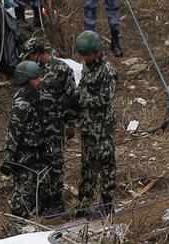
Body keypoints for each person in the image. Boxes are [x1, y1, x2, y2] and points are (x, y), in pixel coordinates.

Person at [24, 36, 79, 219]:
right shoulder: (34, 71)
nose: (29, 60)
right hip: (39, 127)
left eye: (31, 56)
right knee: (41, 163)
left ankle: (57, 203)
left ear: (39, 54)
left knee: (56, 164)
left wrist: (71, 124)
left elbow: (73, 98)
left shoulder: (62, 69)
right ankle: (44, 200)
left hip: (56, 125)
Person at [75, 31, 119, 217]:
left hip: (101, 128)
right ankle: (84, 203)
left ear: (96, 52)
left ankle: (107, 205)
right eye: (83, 55)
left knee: (106, 165)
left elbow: (104, 98)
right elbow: (82, 88)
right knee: (87, 166)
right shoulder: (88, 67)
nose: (85, 58)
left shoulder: (107, 72)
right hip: (87, 126)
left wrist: (81, 99)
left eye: (88, 54)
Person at [2, 61, 54, 217]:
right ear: (25, 80)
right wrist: (9, 157)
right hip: (26, 154)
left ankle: (37, 215)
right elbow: (14, 132)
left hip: (40, 150)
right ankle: (19, 220)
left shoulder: (37, 95)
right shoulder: (22, 104)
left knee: (45, 188)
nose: (39, 81)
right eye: (35, 78)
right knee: (24, 191)